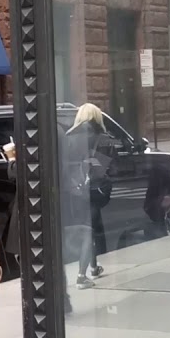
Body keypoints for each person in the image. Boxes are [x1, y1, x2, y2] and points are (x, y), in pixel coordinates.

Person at [64, 103, 110, 289]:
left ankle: (93, 266)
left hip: (73, 188)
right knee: (90, 230)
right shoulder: (100, 136)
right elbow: (104, 164)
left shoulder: (69, 135)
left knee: (86, 228)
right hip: (91, 188)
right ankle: (83, 274)